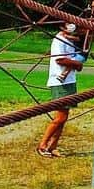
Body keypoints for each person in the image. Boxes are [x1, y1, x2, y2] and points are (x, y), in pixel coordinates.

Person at [36, 22, 87, 158]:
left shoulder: (68, 39)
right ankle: (42, 145)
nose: (73, 27)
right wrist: (77, 64)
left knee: (64, 117)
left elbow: (80, 38)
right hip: (60, 82)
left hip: (69, 80)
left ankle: (53, 146)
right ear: (62, 27)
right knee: (60, 117)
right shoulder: (59, 40)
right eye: (68, 25)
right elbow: (60, 59)